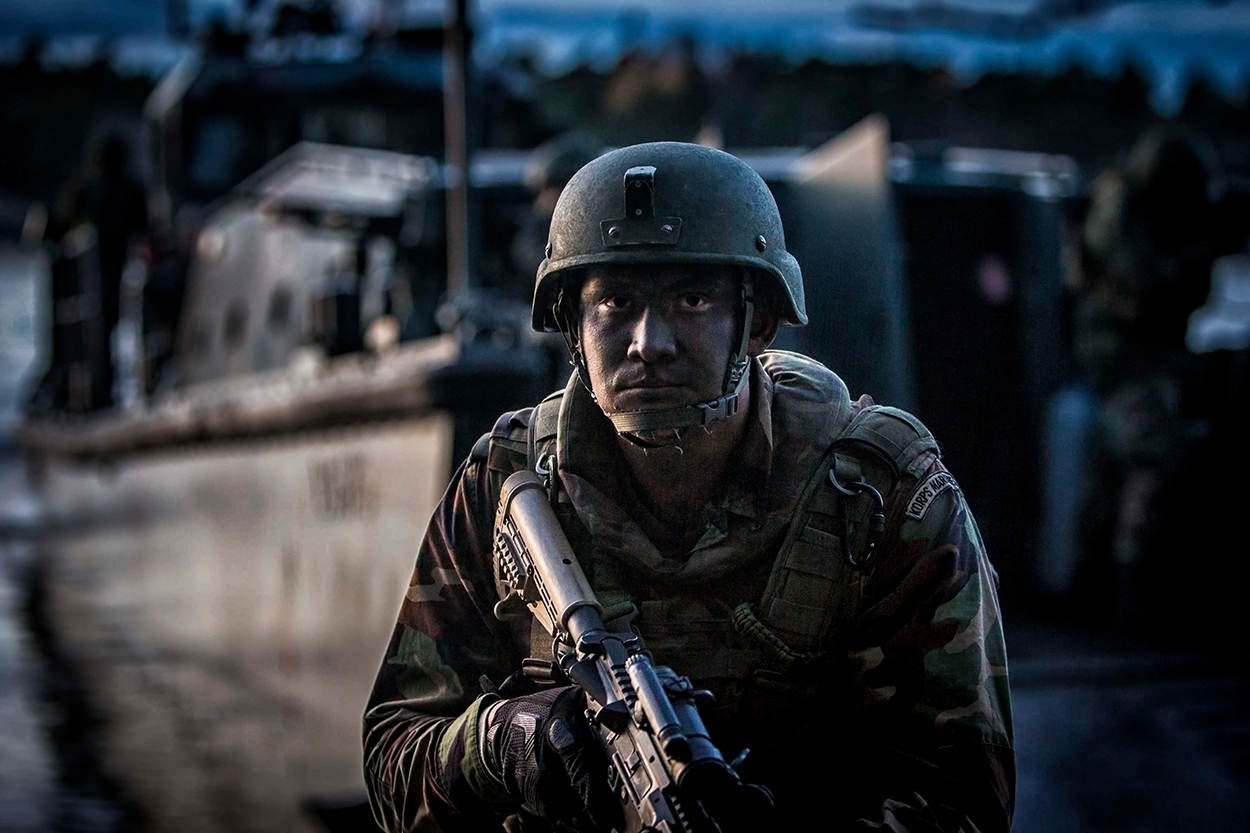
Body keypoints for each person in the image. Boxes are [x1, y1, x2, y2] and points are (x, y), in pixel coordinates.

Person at [362, 142, 1015, 832]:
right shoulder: (502, 484)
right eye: (616, 301)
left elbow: (966, 797)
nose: (650, 342)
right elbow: (391, 766)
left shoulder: (879, 495)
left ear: (758, 323)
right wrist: (499, 743)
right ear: (573, 327)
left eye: (692, 299)